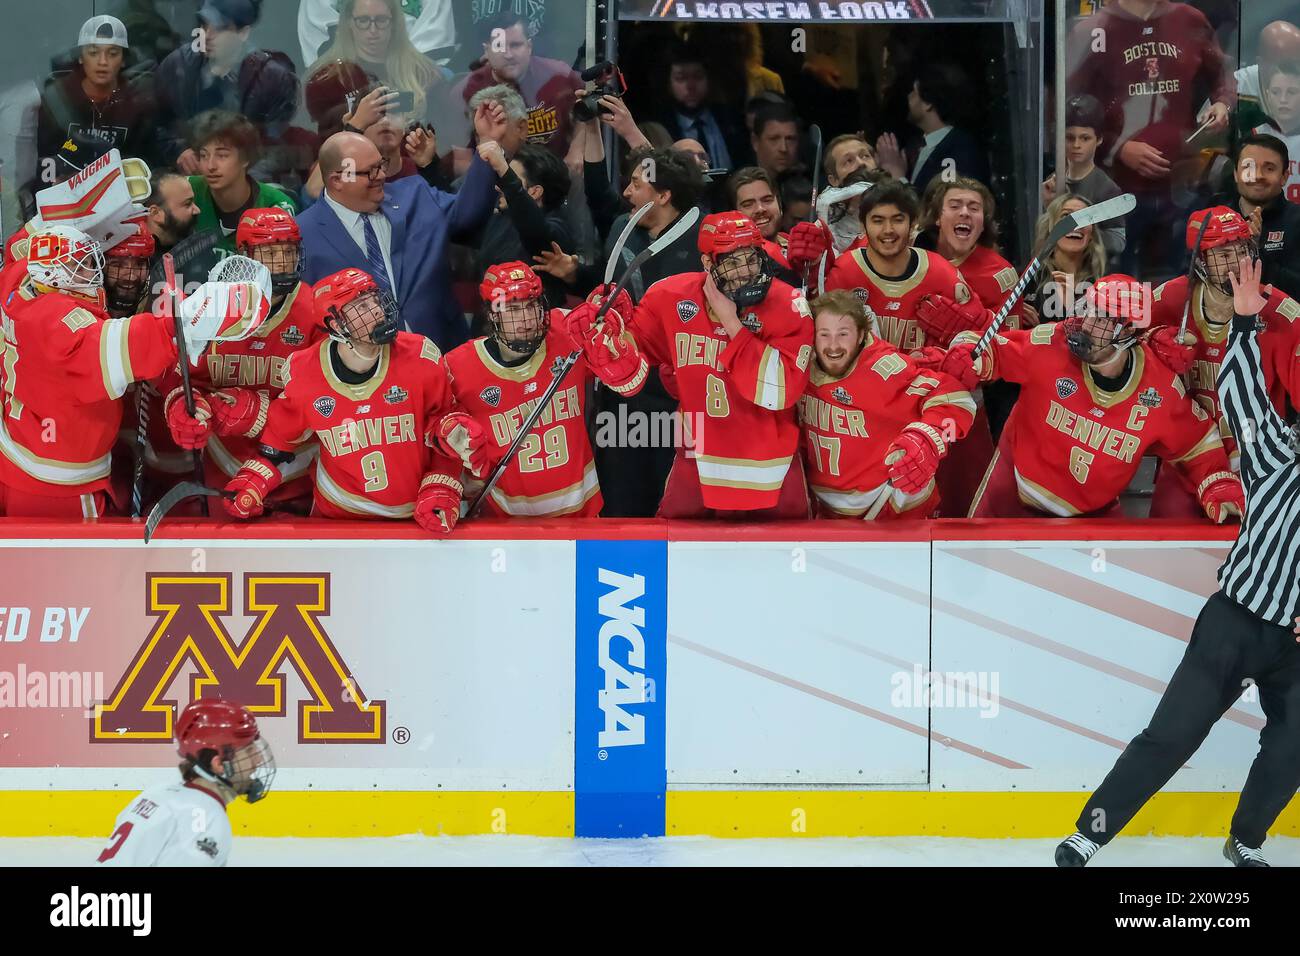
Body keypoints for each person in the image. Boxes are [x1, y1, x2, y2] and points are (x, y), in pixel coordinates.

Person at [1057, 256, 1300, 868]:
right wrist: (1244, 327)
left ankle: (1246, 841)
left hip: (1295, 645)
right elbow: (1243, 400)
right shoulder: (1278, 453)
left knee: (1295, 745)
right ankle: (1094, 829)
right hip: (1237, 622)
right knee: (1172, 736)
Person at [0, 224, 264, 517]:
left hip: (21, 457)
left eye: (137, 263)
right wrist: (186, 322)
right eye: (87, 264)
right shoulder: (61, 326)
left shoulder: (20, 284)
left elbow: (20, 245)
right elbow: (124, 345)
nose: (97, 272)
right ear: (57, 275)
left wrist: (178, 398)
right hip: (55, 483)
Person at [944, 275, 1244, 522]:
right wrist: (969, 354)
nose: (1086, 324)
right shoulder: (1052, 342)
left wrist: (1216, 481)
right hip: (1013, 491)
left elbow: (1196, 442)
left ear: (1128, 331)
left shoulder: (1160, 390)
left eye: (1101, 318)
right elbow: (993, 349)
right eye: (1088, 310)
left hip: (1091, 517)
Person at [580, 211, 814, 519]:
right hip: (696, 465)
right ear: (708, 263)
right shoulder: (670, 296)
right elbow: (629, 371)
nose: (745, 272)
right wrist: (612, 329)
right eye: (732, 262)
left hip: (770, 469)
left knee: (779, 565)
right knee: (680, 560)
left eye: (751, 258)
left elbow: (778, 392)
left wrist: (731, 322)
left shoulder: (790, 304)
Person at [222, 268, 489, 532]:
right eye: (361, 307)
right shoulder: (304, 372)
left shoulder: (421, 356)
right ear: (336, 325)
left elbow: (445, 435)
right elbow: (280, 443)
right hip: (339, 515)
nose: (376, 310)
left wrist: (441, 483)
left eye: (375, 299)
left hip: (415, 515)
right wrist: (252, 482)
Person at [444, 262, 646, 517]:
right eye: (514, 309)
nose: (527, 319)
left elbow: (632, 385)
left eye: (531, 306)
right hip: (507, 527)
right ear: (492, 314)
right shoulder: (458, 368)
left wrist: (615, 337)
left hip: (582, 516)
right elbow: (443, 450)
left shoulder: (567, 330)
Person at [1145, 206, 1300, 516]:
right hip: (1188, 464)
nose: (1238, 263)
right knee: (1164, 554)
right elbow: (1112, 352)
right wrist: (1150, 344)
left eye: (1243, 250)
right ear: (1200, 262)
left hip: (1260, 465)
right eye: (1223, 254)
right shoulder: (1168, 301)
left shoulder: (1284, 315)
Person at [297, 113, 498, 352]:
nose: (381, 175)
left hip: (441, 352)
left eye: (380, 165)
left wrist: (486, 142)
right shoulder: (303, 235)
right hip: (361, 373)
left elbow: (468, 215)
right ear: (337, 180)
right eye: (369, 172)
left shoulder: (415, 196)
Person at [161, 208, 323, 504]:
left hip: (292, 472)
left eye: (287, 252)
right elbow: (178, 376)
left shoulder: (315, 309)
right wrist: (183, 407)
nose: (281, 264)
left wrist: (261, 412)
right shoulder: (210, 304)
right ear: (245, 254)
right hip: (218, 467)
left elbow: (331, 402)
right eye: (269, 254)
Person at [1066, 0, 1232, 277]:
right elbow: (1067, 110)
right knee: (1116, 285)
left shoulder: (1189, 19)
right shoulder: (1093, 29)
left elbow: (1222, 75)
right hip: (1115, 191)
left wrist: (1222, 103)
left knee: (1177, 283)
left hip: (1181, 189)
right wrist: (1117, 147)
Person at [800, 289, 974, 519]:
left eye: (843, 334)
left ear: (861, 335)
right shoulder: (799, 367)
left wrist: (930, 439)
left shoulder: (884, 371)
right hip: (825, 511)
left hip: (891, 509)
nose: (833, 345)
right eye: (824, 334)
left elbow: (960, 400)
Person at [96, 699, 275, 867]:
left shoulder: (156, 794)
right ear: (219, 764)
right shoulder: (206, 818)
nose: (258, 759)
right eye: (249, 750)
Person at [819, 181, 983, 353]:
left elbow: (979, 344)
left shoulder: (943, 275)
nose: (888, 230)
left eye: (897, 220)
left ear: (913, 224)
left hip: (926, 379)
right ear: (863, 224)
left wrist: (946, 358)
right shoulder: (844, 272)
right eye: (878, 220)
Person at [154, 0, 300, 178]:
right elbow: (160, 125)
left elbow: (276, 145)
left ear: (243, 33)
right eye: (204, 25)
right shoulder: (177, 66)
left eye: (220, 28)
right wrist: (179, 150)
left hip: (248, 183)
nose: (207, 35)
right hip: (189, 179)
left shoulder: (274, 79)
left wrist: (235, 169)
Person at [450, 10, 582, 159]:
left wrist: (578, 148)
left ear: (529, 46)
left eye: (515, 45)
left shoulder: (559, 75)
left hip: (554, 174)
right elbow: (461, 158)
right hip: (494, 177)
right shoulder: (465, 91)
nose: (508, 54)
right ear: (487, 50)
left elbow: (589, 106)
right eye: (499, 46)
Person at [36, 15, 158, 175]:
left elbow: (146, 163)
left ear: (123, 60)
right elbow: (41, 159)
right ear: (81, 57)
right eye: (93, 53)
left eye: (112, 53)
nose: (103, 61)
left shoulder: (137, 105)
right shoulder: (56, 100)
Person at [472, 144, 575, 309]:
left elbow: (533, 230)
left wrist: (503, 170)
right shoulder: (500, 218)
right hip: (490, 323)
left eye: (510, 178)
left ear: (535, 192)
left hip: (534, 328)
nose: (499, 186)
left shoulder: (556, 230)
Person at [306, 0, 443, 121]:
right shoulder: (324, 79)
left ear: (394, 23)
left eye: (381, 20)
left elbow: (444, 132)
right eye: (363, 20)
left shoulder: (424, 73)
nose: (373, 30)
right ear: (349, 22)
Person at [188, 110, 297, 253]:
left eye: (222, 155)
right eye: (204, 155)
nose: (210, 166)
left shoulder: (275, 206)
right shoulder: (187, 192)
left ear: (246, 158)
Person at [875, 63, 989, 190]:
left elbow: (943, 204)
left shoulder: (960, 148)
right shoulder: (919, 148)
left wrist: (897, 175)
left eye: (913, 92)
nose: (908, 96)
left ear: (928, 103)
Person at [1212, 134, 1300, 297]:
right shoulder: (1212, 220)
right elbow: (1191, 281)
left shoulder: (1296, 221)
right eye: (1248, 167)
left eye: (1269, 168)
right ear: (1236, 174)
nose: (1257, 175)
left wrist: (1255, 254)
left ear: (1284, 177)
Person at [1040, 94, 1126, 260]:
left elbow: (1118, 241)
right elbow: (1043, 238)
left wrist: (1084, 228)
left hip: (1091, 273)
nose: (1076, 145)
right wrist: (1048, 209)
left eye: (1085, 138)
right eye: (1070, 138)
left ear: (1099, 139)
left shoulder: (1107, 188)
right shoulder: (1052, 182)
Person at [656, 43, 751, 174]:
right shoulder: (661, 127)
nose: (690, 86)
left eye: (698, 76)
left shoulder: (731, 119)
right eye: (681, 78)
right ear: (668, 83)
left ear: (709, 79)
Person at [1022, 194, 1108, 327]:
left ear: (1092, 234)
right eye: (1066, 216)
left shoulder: (1104, 286)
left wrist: (1071, 305)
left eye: (1084, 218)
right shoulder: (1028, 278)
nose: (1075, 224)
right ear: (1051, 228)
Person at [299, 0, 456, 67]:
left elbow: (435, 32)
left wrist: (401, 67)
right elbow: (320, 33)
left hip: (410, 69)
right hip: (347, 72)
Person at [729, 166, 794, 276]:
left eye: (767, 200)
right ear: (734, 214)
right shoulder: (729, 265)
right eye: (748, 204)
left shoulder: (795, 245)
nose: (760, 209)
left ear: (780, 205)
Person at [143, 170, 201, 258]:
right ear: (156, 213)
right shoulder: (137, 263)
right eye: (187, 204)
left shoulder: (192, 248)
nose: (197, 210)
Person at [102, 221, 154, 318]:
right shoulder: (82, 313)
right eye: (118, 265)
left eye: (139, 264)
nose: (131, 277)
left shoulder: (158, 312)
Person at [750, 103, 801, 181]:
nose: (783, 148)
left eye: (790, 139)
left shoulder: (812, 186)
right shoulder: (738, 187)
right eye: (774, 139)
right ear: (755, 142)